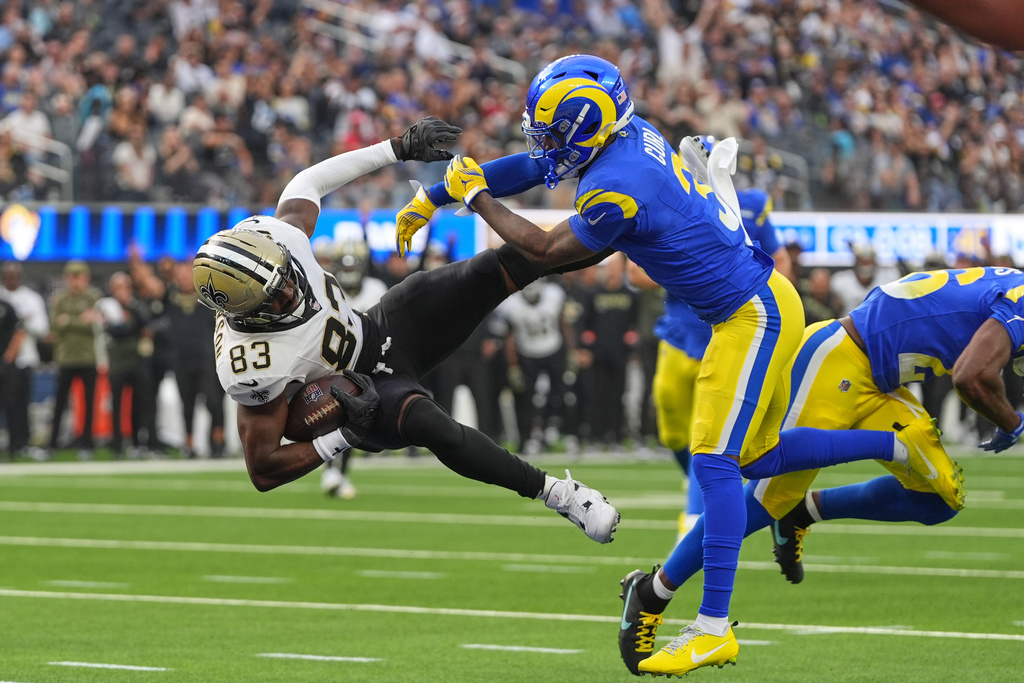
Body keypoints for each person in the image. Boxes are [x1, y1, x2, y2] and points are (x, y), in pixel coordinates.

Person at [394, 55, 959, 676]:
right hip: (762, 304)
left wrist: (472, 195)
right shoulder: (627, 136)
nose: (542, 146)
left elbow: (545, 249)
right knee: (754, 457)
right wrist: (434, 192)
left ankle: (713, 626)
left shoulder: (617, 189)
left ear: (588, 128)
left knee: (714, 462)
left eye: (553, 133)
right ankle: (889, 444)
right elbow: (536, 166)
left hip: (752, 316)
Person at [191, 116, 620, 545]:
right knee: (433, 424)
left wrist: (396, 148)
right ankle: (560, 495)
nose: (290, 290)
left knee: (504, 263)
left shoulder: (276, 239)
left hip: (380, 327)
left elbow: (310, 179)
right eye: (277, 298)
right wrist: (343, 435)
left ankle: (633, 229)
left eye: (285, 277)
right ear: (246, 314)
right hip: (360, 393)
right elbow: (262, 470)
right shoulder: (249, 362)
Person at [635, 265, 1019, 671]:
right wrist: (1013, 422)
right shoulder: (1019, 300)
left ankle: (805, 511)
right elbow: (970, 374)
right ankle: (651, 594)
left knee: (941, 497)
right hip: (836, 360)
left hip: (884, 380)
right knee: (762, 498)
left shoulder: (1011, 285)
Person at [320, 237, 388, 500]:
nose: (348, 272)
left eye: (353, 266)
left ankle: (340, 472)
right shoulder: (326, 287)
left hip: (363, 366)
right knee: (325, 419)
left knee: (355, 420)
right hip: (328, 365)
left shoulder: (375, 288)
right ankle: (330, 469)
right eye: (344, 266)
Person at [47, 260, 101, 459]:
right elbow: (55, 325)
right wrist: (80, 319)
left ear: (86, 277)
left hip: (88, 357)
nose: (76, 281)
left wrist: (69, 320)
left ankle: (87, 444)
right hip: (66, 358)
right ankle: (51, 444)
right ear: (67, 278)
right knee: (60, 402)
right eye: (73, 276)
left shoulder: (94, 297)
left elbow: (95, 324)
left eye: (80, 276)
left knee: (88, 402)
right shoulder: (60, 299)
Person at [0, 262, 48, 459]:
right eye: (7, 274)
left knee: (19, 404)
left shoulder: (32, 298)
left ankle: (20, 444)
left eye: (14, 274)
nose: (11, 277)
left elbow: (43, 329)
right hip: (1, 357)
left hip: (22, 359)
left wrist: (22, 323)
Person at [0, 294, 24, 460]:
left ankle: (14, 447)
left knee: (10, 404)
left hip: (5, 364)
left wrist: (9, 355)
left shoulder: (6, 307)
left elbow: (19, 330)